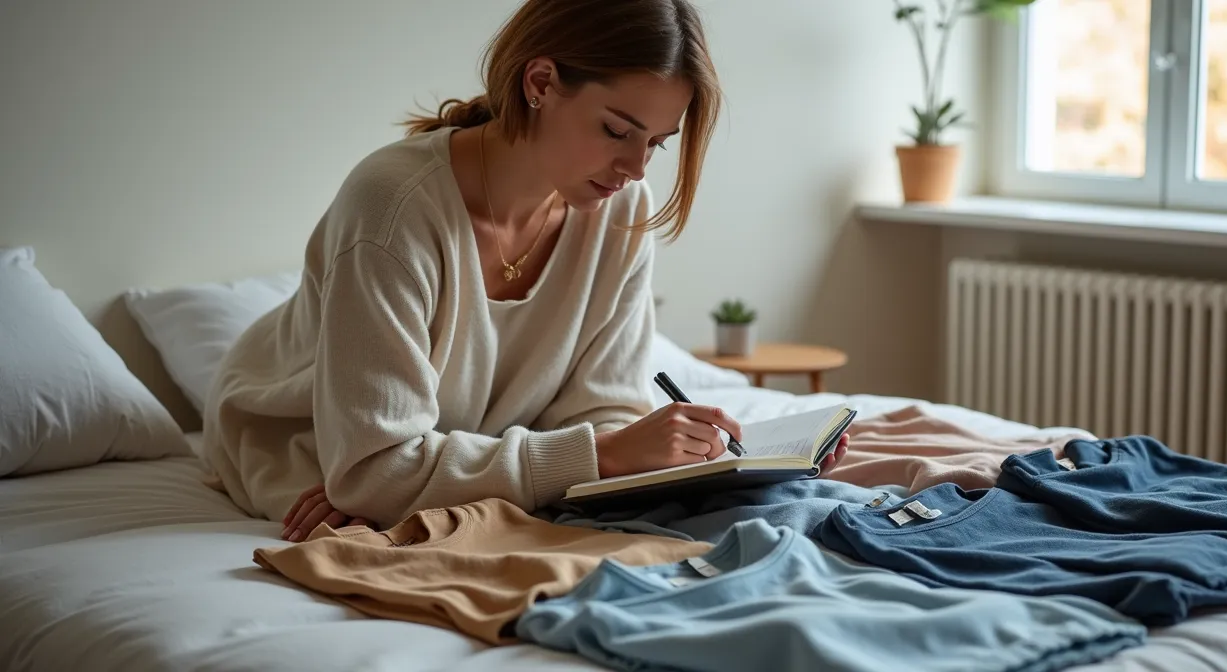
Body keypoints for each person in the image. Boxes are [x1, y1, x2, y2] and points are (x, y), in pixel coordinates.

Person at [201, 0, 848, 543]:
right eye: (617, 130)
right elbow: (373, 472)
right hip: (308, 440)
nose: (635, 169)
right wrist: (597, 455)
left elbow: (603, 407)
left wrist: (662, 455)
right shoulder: (393, 207)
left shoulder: (619, 210)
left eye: (654, 142)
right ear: (539, 83)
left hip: (444, 446)